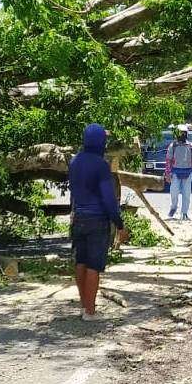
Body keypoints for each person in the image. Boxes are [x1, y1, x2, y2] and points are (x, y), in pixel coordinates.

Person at [68, 124, 129, 321]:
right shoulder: (101, 165)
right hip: (97, 220)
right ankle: (91, 312)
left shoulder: (75, 161)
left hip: (78, 217)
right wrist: (119, 224)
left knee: (81, 262)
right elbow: (108, 199)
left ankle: (84, 305)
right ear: (100, 141)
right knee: (94, 265)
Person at [165, 125, 192, 220]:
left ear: (186, 134)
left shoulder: (191, 146)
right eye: (180, 133)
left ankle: (184, 213)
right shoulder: (173, 146)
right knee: (174, 192)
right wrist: (167, 173)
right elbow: (168, 160)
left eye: (184, 133)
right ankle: (173, 207)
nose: (182, 135)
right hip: (175, 172)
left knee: (186, 194)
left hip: (187, 172)